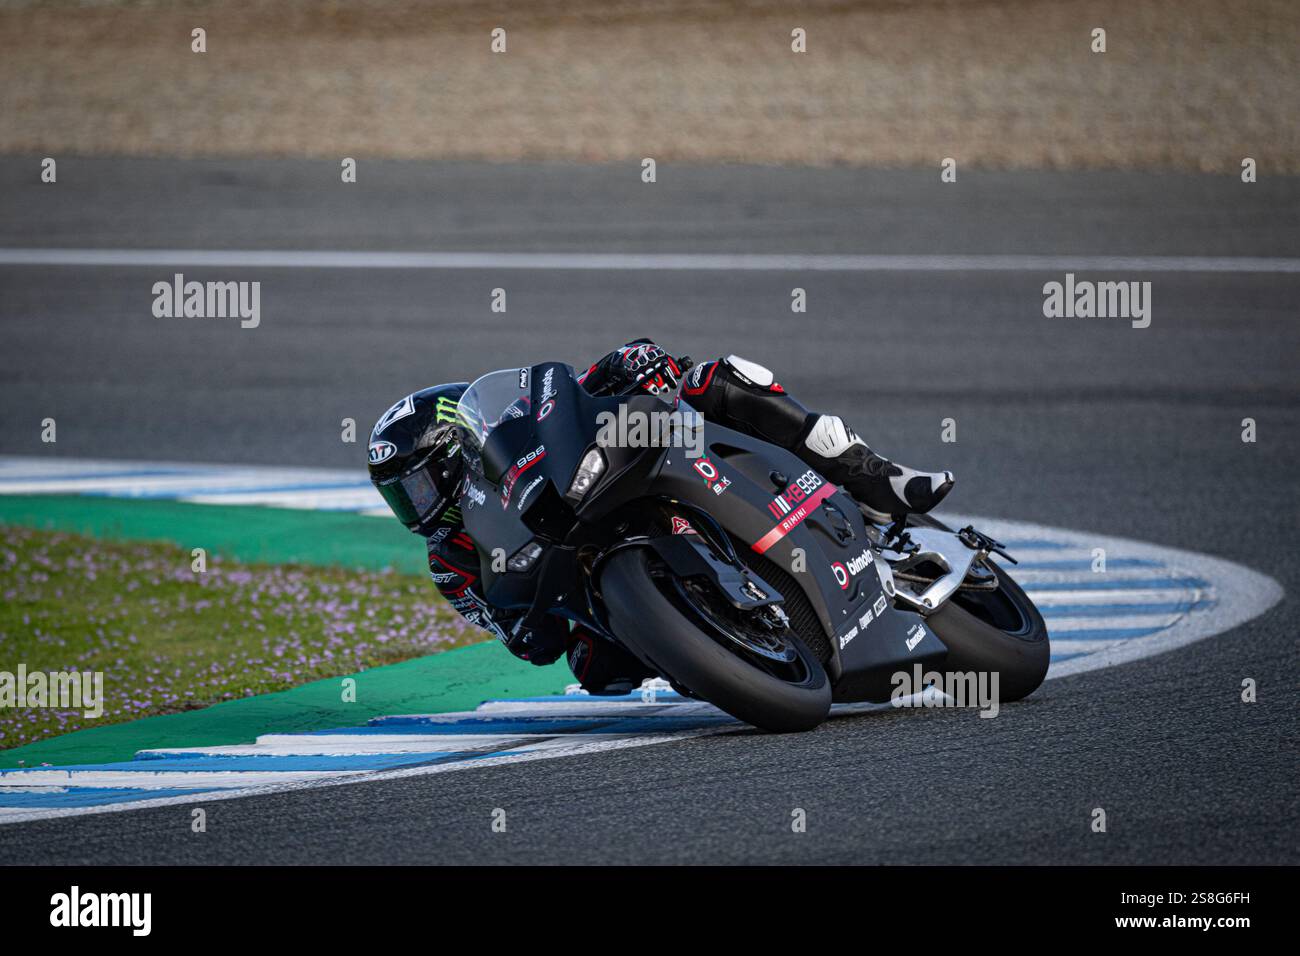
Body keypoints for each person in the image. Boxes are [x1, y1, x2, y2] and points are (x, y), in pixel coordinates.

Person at [367, 341, 954, 693]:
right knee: (593, 670)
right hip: (584, 591)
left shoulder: (517, 425)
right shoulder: (450, 563)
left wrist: (637, 366)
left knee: (718, 378)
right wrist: (525, 630)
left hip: (610, 481)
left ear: (455, 456)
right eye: (400, 498)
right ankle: (718, 645)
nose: (413, 509)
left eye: (416, 487)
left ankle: (873, 476)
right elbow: (523, 640)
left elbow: (594, 386)